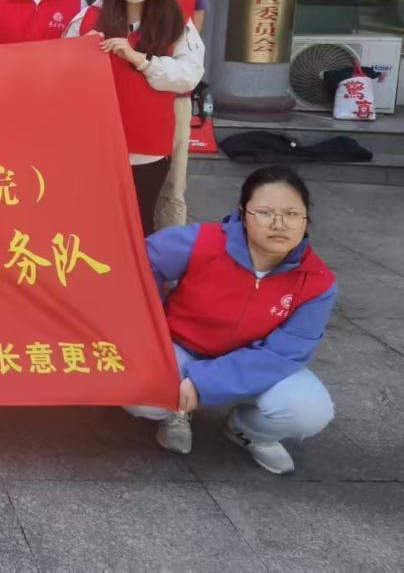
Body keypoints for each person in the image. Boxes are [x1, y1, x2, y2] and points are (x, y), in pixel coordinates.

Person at [127, 166, 336, 476]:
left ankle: (247, 430)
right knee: (138, 390)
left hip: (252, 363)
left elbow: (285, 353)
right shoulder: (204, 241)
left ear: (305, 219)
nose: (279, 224)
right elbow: (138, 263)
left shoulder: (317, 281)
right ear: (243, 213)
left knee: (309, 410)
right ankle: (175, 411)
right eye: (265, 213)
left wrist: (204, 382)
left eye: (292, 214)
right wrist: (150, 323)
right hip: (181, 347)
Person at [67, 0, 204, 236]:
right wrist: (79, 51)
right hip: (97, 144)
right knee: (94, 224)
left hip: (147, 148)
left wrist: (141, 60)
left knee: (139, 223)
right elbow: (61, 72)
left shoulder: (176, 21)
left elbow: (189, 74)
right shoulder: (89, 18)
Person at [95, 0, 208, 232]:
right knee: (100, 214)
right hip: (102, 131)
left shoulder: (176, 18)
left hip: (152, 130)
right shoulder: (93, 14)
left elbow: (190, 68)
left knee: (156, 205)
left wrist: (143, 60)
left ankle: (158, 261)